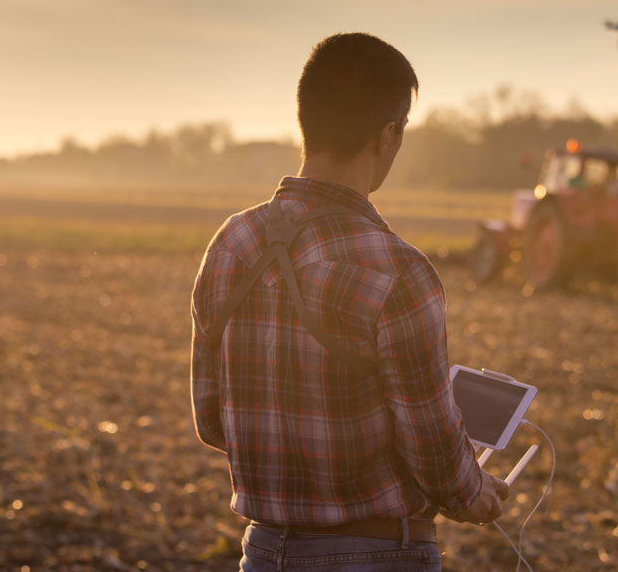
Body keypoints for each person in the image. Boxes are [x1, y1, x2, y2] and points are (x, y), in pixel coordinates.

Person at [190, 33, 509, 571]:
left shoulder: (231, 244)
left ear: (306, 120)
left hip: (263, 553)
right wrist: (471, 491)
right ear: (387, 135)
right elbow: (432, 445)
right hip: (378, 556)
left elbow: (211, 420)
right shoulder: (397, 268)